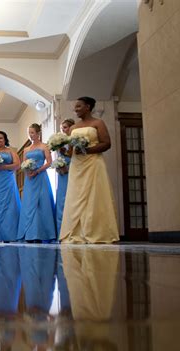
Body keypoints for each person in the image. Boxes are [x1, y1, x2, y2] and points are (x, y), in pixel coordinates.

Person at [60, 97, 119, 244]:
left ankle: (97, 231)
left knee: (95, 196)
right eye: (75, 107)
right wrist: (62, 150)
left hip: (93, 164)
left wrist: (87, 149)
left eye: (79, 106)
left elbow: (107, 144)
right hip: (77, 166)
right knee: (75, 197)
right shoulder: (73, 128)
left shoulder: (98, 123)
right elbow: (70, 152)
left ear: (88, 107)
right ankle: (76, 232)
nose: (76, 109)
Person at [17, 124, 56, 242]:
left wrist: (38, 170)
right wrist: (27, 171)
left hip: (41, 176)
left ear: (38, 133)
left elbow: (49, 162)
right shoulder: (26, 149)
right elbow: (23, 164)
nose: (30, 135)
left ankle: (43, 233)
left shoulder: (44, 146)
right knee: (29, 204)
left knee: (42, 203)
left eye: (32, 132)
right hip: (29, 179)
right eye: (29, 133)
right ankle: (30, 233)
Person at [55, 119, 75, 237]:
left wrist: (68, 167)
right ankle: (61, 232)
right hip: (62, 173)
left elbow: (76, 156)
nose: (63, 130)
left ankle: (73, 231)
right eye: (62, 128)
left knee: (71, 199)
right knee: (62, 200)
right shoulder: (60, 142)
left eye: (66, 127)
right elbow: (58, 157)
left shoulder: (74, 140)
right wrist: (59, 167)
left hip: (73, 170)